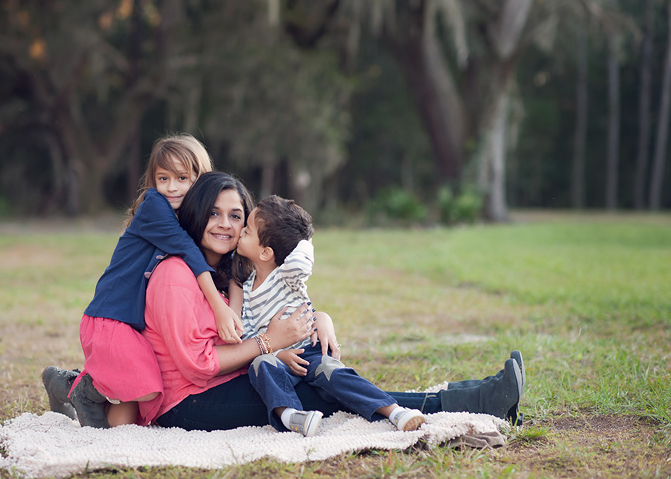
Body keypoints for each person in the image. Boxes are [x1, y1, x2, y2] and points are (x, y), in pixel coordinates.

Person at [135, 172, 524, 432]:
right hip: (186, 402)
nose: (225, 224)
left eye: (236, 215)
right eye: (214, 214)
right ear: (196, 214)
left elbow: (269, 301)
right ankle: (473, 402)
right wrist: (272, 343)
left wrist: (316, 316)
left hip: (232, 377)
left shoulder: (228, 272)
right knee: (320, 390)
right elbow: (198, 366)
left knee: (323, 379)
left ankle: (472, 398)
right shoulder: (175, 276)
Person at [42, 134, 243, 429]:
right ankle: (79, 389)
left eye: (182, 178)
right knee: (145, 388)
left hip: (134, 326)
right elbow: (188, 251)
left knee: (127, 420)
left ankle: (69, 385)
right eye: (163, 178)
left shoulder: (182, 217)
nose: (171, 187)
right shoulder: (155, 205)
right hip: (112, 317)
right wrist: (219, 306)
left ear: (200, 180)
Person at [234, 195, 425, 436]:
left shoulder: (287, 275)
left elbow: (302, 260)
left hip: (310, 349)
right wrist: (279, 354)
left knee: (333, 371)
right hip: (278, 357)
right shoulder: (247, 288)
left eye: (248, 231)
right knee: (260, 365)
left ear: (265, 253)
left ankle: (394, 411)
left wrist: (304, 232)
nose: (240, 232)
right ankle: (291, 416)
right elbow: (250, 332)